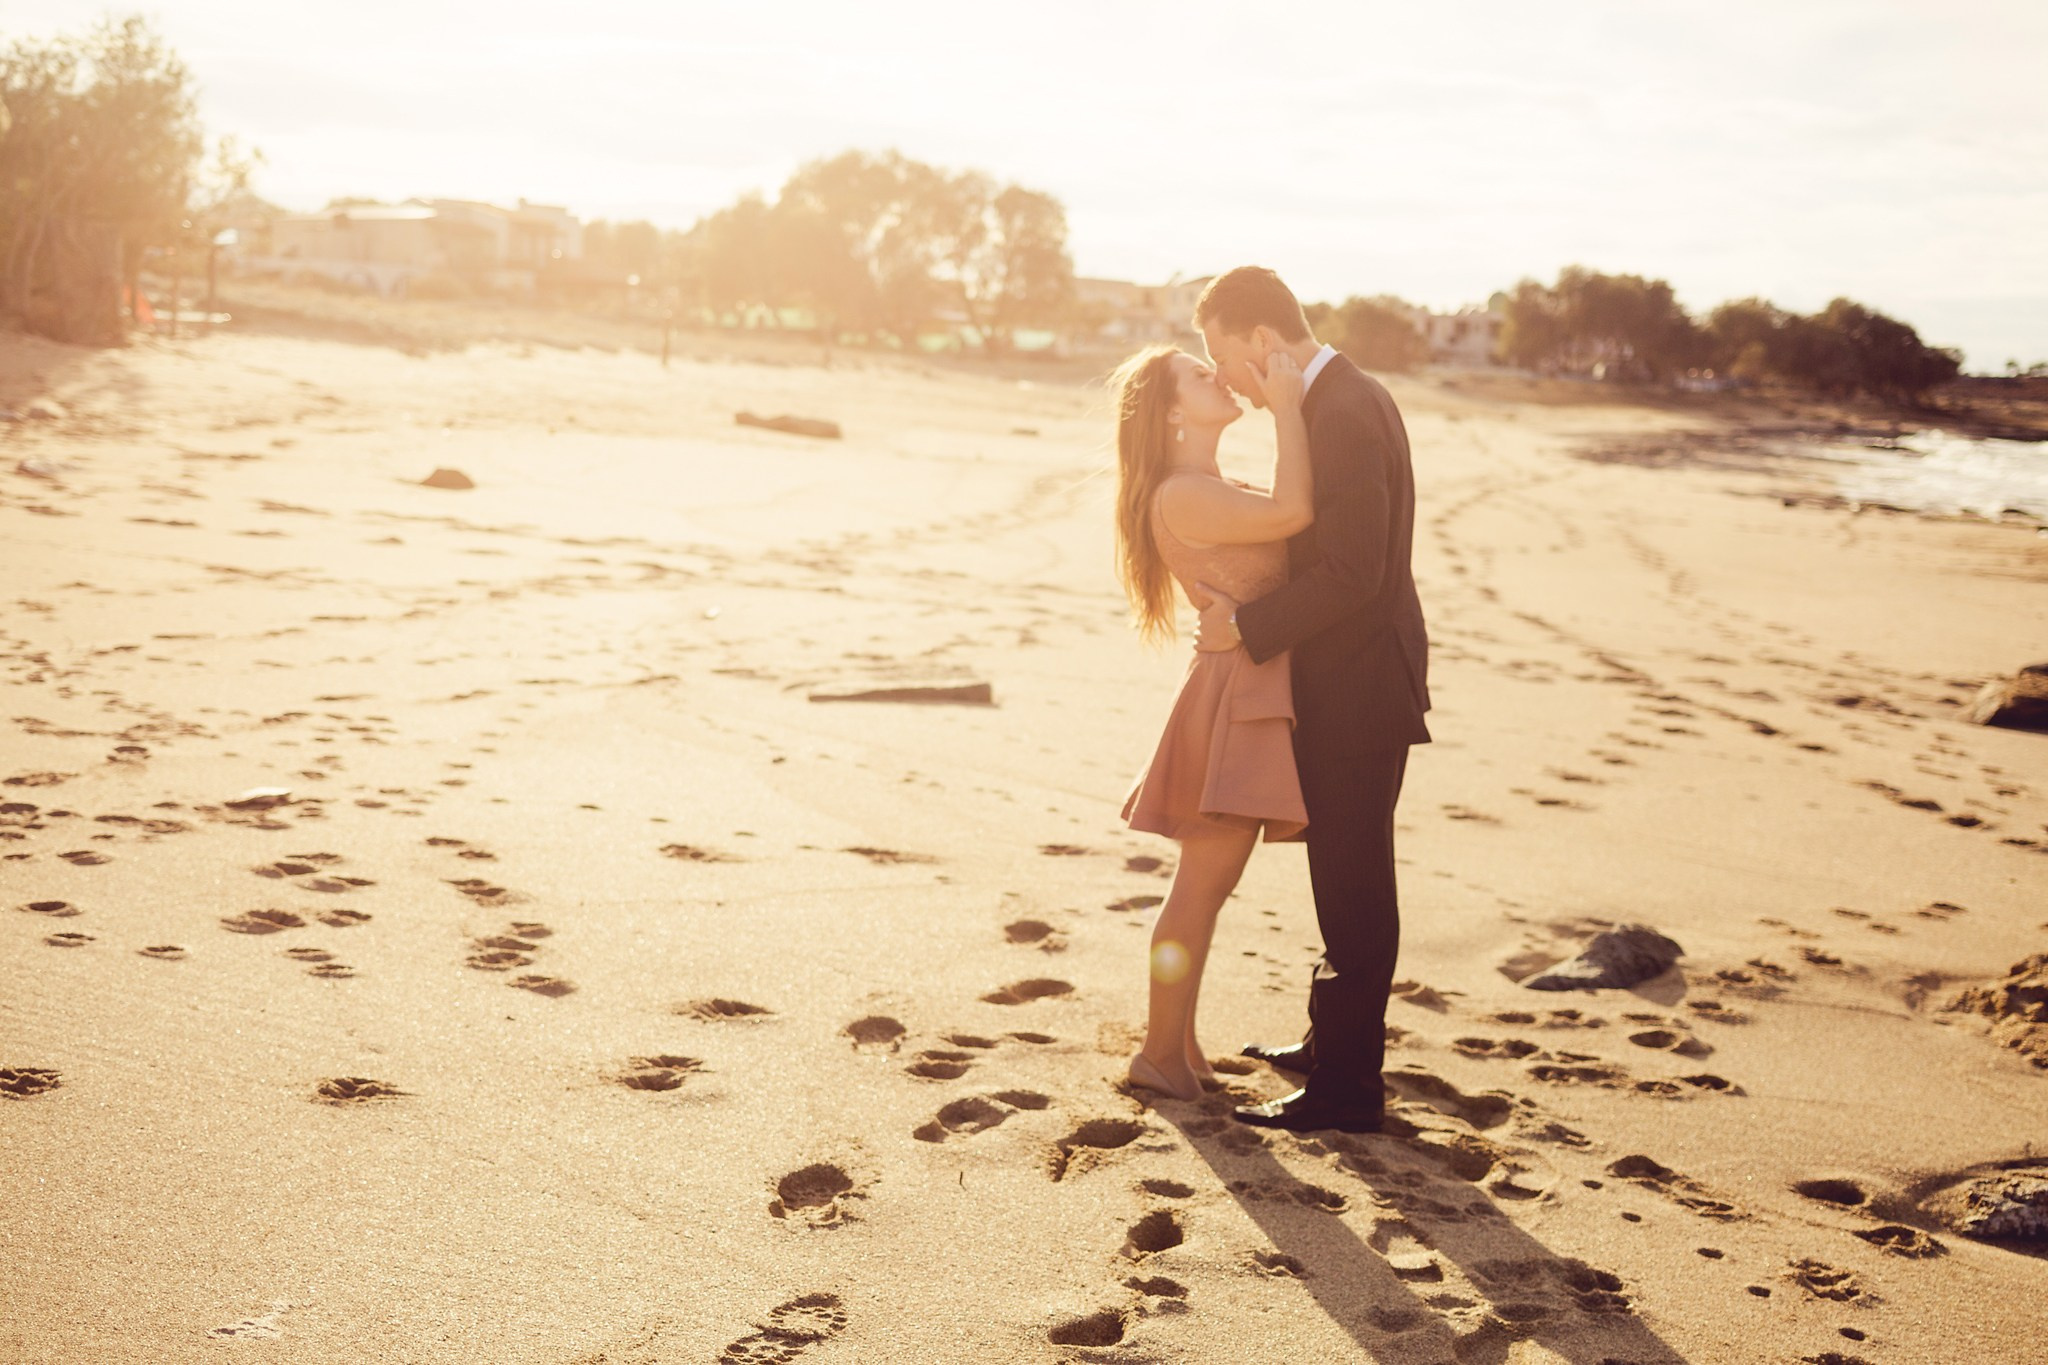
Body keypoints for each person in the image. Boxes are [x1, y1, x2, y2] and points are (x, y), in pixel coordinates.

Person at [1191, 266, 1431, 1135]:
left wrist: (1245, 628)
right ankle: (1328, 1047)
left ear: (1263, 339)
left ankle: (1348, 1090)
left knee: (1356, 883)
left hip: (1361, 684)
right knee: (1342, 873)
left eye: (1226, 357)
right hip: (1355, 672)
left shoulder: (1341, 410)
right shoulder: (1342, 395)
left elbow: (1351, 571)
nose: (1233, 384)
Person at [1111, 341, 1313, 1103]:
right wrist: (1288, 406)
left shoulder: (1205, 484)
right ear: (1170, 412)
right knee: (1200, 884)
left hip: (1241, 687)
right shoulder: (1182, 492)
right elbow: (1294, 513)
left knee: (1210, 883)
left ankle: (1180, 1044)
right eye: (1201, 374)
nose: (1218, 376)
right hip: (1231, 697)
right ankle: (1158, 1053)